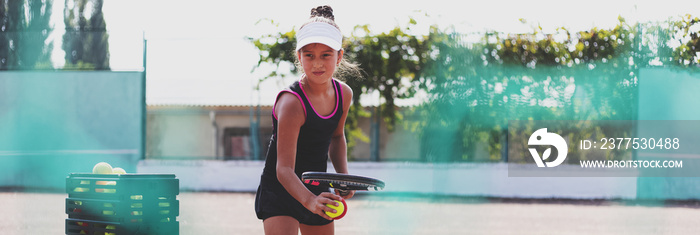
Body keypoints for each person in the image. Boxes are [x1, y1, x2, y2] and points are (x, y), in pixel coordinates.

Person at [254, 5, 362, 235]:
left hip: (317, 188)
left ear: (339, 56)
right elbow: (283, 169)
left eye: (326, 55)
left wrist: (343, 178)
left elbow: (336, 136)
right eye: (309, 56)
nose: (317, 63)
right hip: (281, 190)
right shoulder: (292, 103)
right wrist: (310, 201)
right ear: (299, 56)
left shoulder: (344, 94)